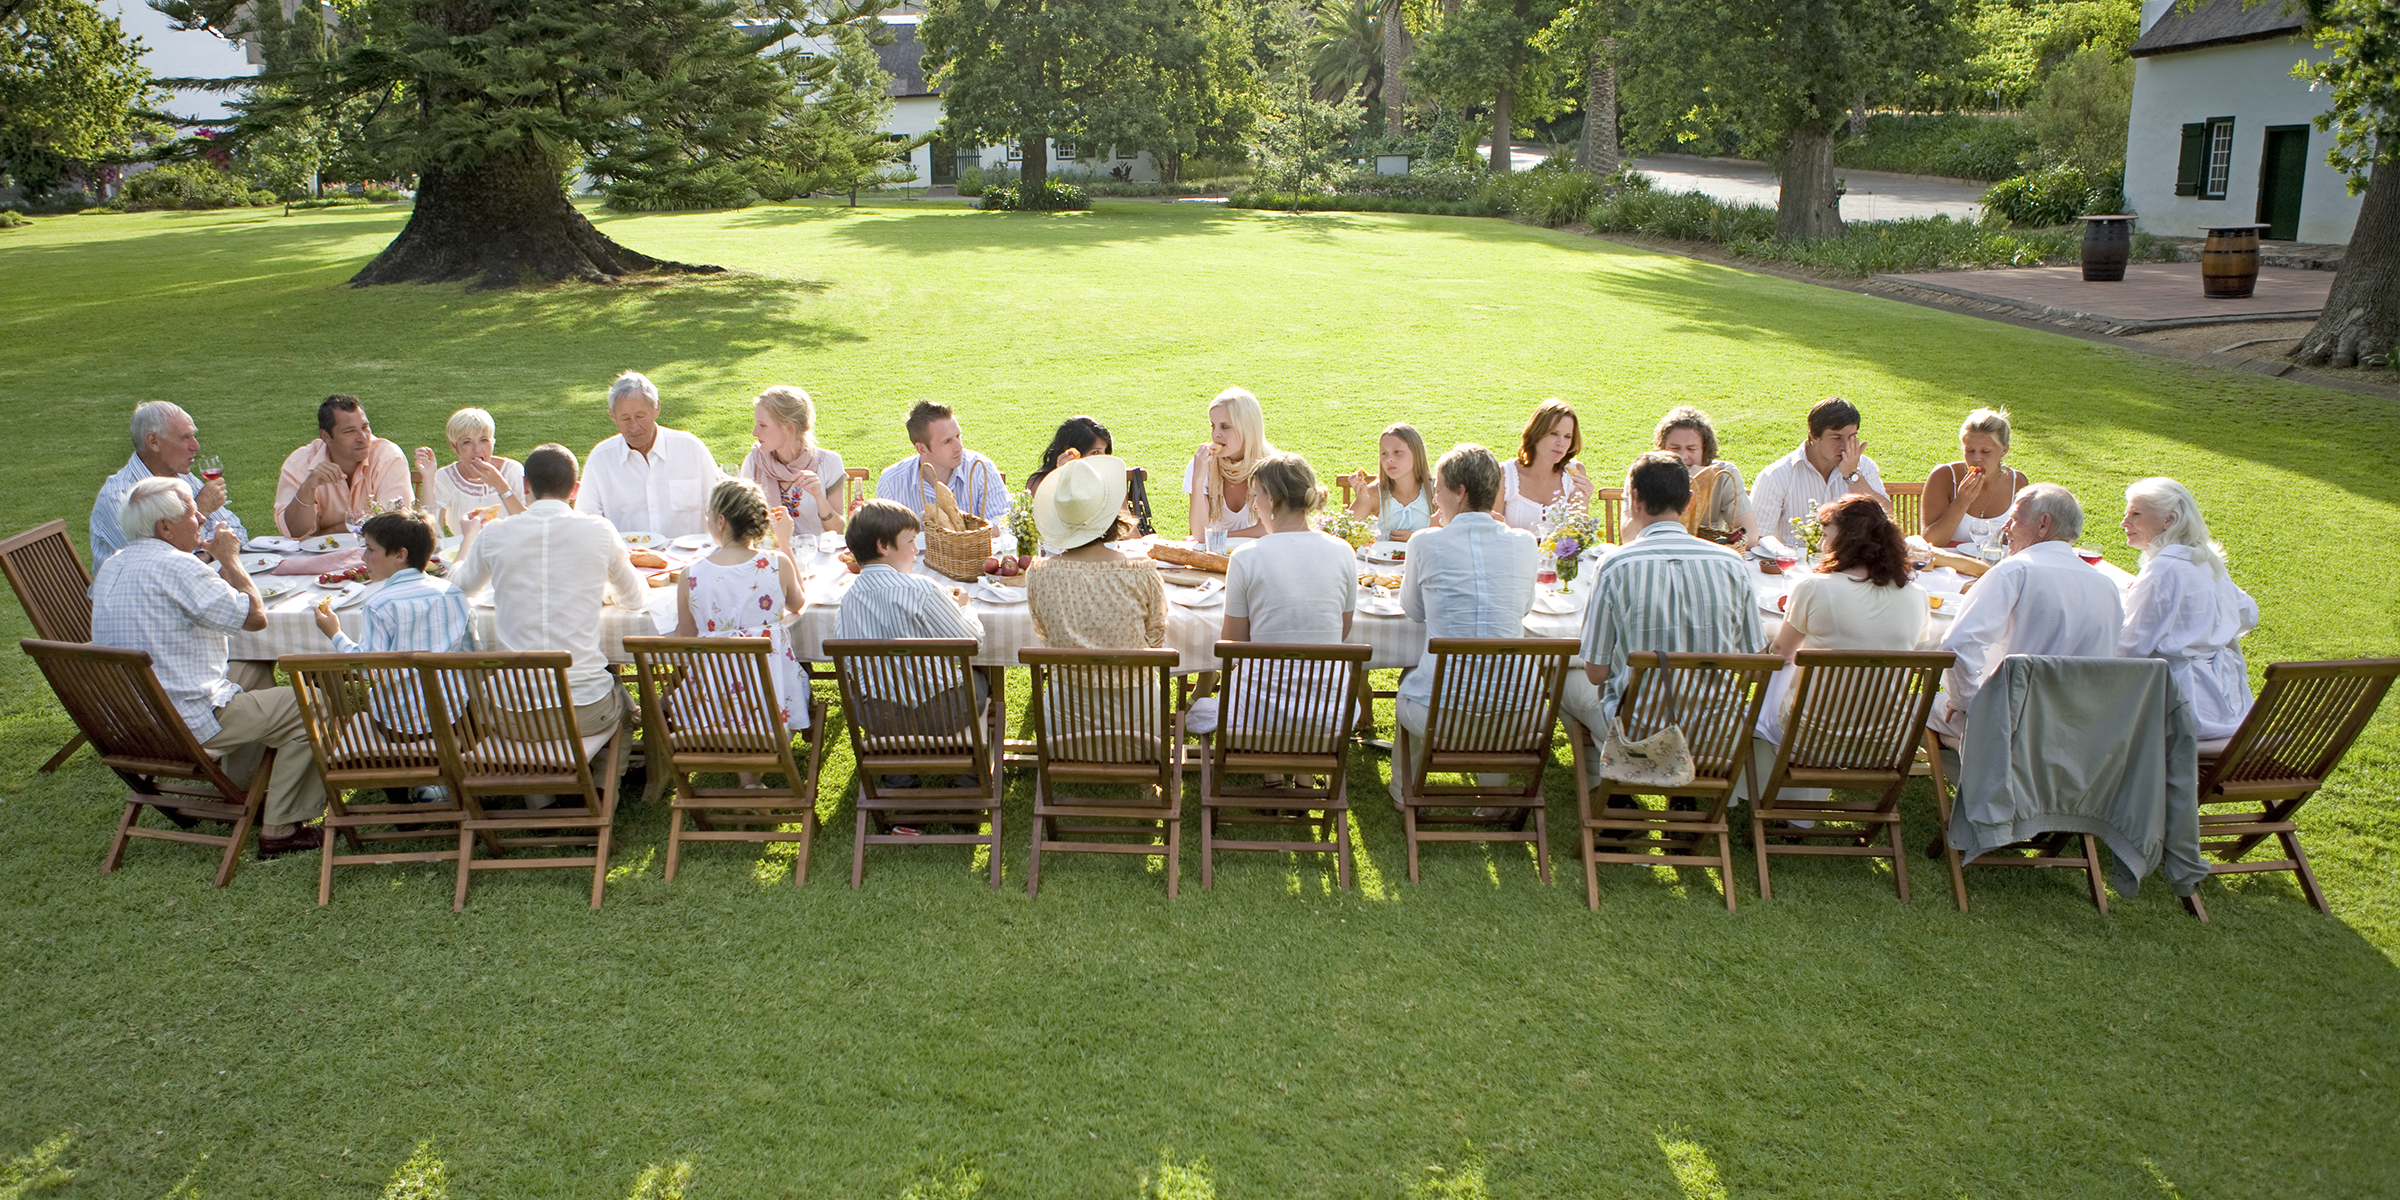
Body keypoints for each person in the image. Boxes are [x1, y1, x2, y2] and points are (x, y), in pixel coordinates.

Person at [90, 477, 324, 856]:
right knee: (314, 703)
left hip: (130, 723)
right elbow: (254, 618)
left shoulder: (113, 566)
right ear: (164, 528)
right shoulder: (180, 568)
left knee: (253, 668)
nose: (201, 517)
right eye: (191, 512)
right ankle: (281, 827)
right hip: (185, 724)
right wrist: (229, 559)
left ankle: (242, 790)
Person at [451, 443, 646, 796]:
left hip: (512, 714)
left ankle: (540, 801)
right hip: (583, 710)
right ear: (576, 488)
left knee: (610, 696)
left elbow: (458, 589)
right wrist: (601, 591)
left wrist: (467, 543)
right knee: (625, 707)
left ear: (525, 485)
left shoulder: (495, 533)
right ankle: (601, 790)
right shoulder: (599, 531)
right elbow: (635, 598)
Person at [1558, 452, 1767, 748]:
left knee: (1564, 679)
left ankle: (1611, 783)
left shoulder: (1616, 564)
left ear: (1634, 499)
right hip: (1715, 731)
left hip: (1637, 729)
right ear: (1689, 501)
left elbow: (1596, 672)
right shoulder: (1732, 563)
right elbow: (1756, 667)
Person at [1743, 496, 1927, 806]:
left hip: (1809, 736)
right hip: (1884, 741)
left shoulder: (1815, 587)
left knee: (1782, 666)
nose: (1823, 544)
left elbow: (1780, 654)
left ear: (1847, 539)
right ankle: (1795, 809)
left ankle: (1774, 800)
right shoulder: (1916, 596)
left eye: (1827, 535)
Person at [1390, 444, 1540, 804]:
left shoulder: (1425, 542)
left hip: (1439, 715)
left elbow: (1412, 609)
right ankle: (1492, 797)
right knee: (1491, 678)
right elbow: (1524, 607)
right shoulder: (1523, 543)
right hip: (1520, 714)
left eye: (1438, 488)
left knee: (1409, 682)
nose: (1435, 498)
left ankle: (1403, 793)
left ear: (1460, 492)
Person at [1929, 483, 2123, 739]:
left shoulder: (2013, 572)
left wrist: (1967, 704)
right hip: (2081, 731)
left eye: (2013, 520)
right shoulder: (2107, 585)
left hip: (2010, 723)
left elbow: (1957, 646)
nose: (2005, 529)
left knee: (1918, 706)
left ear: (2043, 524)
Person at [311, 509, 473, 804]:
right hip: (453, 716)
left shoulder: (379, 603)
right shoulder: (453, 593)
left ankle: (399, 798)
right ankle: (438, 782)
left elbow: (366, 666)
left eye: (370, 550)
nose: (362, 558)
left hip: (401, 727)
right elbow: (471, 654)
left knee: (376, 708)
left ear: (400, 554)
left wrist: (334, 633)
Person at [2118, 477, 2258, 740]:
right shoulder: (2205, 560)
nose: (2125, 523)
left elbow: (2131, 647)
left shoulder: (2164, 569)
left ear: (2168, 520)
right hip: (2230, 704)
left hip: (2181, 711)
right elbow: (2248, 613)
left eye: (2135, 514)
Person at [674, 479, 811, 733]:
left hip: (715, 701)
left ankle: (739, 753)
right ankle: (757, 755)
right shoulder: (776, 564)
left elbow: (688, 638)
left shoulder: (690, 575)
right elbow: (799, 604)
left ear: (721, 521)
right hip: (772, 696)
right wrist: (784, 542)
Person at [1027, 455, 1166, 650]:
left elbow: (1046, 636)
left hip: (1067, 680)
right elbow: (1156, 637)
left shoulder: (1039, 574)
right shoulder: (1141, 573)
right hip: (1134, 680)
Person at [90, 401, 248, 569]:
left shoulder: (181, 477)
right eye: (185, 437)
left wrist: (207, 554)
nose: (196, 446)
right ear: (154, 441)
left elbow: (237, 533)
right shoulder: (120, 496)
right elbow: (156, 565)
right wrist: (200, 509)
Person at [1221, 453, 1356, 646]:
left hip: (1260, 676)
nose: (1254, 506)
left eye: (1256, 496)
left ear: (1271, 500)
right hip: (1327, 677)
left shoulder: (1245, 557)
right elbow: (1341, 630)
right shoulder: (1344, 551)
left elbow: (1233, 641)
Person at [575, 370, 724, 538]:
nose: (634, 427)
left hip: (688, 559)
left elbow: (723, 509)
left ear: (656, 408)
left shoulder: (691, 448)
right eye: (625, 418)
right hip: (627, 561)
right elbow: (584, 521)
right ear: (612, 416)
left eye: (640, 416)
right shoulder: (600, 459)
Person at [834, 499, 986, 642]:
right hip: (928, 672)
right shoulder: (922, 591)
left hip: (869, 672)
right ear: (884, 546)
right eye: (911, 541)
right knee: (983, 670)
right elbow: (972, 641)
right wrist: (965, 607)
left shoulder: (847, 602)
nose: (916, 549)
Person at [1748, 396, 1890, 549]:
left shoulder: (1864, 467)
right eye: (1837, 438)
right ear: (1814, 436)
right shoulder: (1775, 477)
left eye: (1852, 437)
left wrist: (1852, 476)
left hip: (1854, 567)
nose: (1845, 446)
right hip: (1797, 567)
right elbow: (1757, 539)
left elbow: (1887, 518)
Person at [273, 394, 415, 537]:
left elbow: (394, 525)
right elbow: (294, 531)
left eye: (365, 427)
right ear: (326, 437)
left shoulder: (388, 458)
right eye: (350, 431)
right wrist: (308, 487)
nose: (363, 438)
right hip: (318, 557)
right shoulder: (300, 464)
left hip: (376, 554)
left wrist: (329, 532)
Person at [876, 400, 1011, 525]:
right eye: (947, 441)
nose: (959, 447)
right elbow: (884, 540)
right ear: (921, 448)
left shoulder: (981, 468)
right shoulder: (891, 482)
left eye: (958, 436)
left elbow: (1004, 523)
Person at [739, 385, 846, 540]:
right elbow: (742, 525)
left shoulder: (828, 463)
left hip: (815, 556)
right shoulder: (754, 462)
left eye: (763, 425)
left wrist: (818, 496)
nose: (755, 432)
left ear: (789, 427)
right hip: (769, 557)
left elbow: (837, 531)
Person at [1920, 408, 2029, 550]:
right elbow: (1931, 542)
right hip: (1948, 565)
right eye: (1969, 451)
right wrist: (1961, 503)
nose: (1976, 459)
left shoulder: (2018, 482)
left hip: (1994, 566)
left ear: (2004, 450)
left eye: (1986, 452)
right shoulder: (1944, 476)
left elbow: (2023, 542)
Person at [414, 407, 527, 537]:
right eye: (467, 442)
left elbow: (529, 524)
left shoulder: (512, 471)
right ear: (454, 447)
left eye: (484, 440)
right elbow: (430, 533)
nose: (477, 450)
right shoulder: (445, 477)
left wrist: (501, 486)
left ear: (493, 441)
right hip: (463, 552)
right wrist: (428, 478)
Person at [1654, 405, 1754, 547]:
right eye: (1675, 448)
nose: (1683, 456)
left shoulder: (1724, 475)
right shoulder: (1645, 474)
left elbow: (1750, 535)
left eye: (1691, 449)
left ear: (1704, 450)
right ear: (1662, 448)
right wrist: (1687, 483)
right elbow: (1631, 536)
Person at [1184, 386, 1273, 542]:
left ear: (1248, 428)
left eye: (1225, 427)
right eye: (1213, 426)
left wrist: (1215, 537)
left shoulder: (1273, 466)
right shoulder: (1202, 464)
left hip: (1259, 557)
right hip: (1214, 556)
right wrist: (1197, 480)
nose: (1215, 434)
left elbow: (1267, 529)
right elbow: (1199, 534)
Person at [1496, 399, 1594, 532]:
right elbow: (1494, 533)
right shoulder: (1504, 475)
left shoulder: (1575, 473)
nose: (1561, 443)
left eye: (1568, 436)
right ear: (1536, 434)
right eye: (1554, 434)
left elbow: (1578, 536)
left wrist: (1583, 501)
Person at [1343, 423, 1433, 542]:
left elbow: (1451, 536)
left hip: (1423, 560)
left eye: (1397, 452)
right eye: (1384, 453)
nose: (1389, 459)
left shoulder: (1436, 490)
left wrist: (1416, 538)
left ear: (1416, 453)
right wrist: (1361, 501)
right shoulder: (1374, 493)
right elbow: (1344, 535)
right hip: (1380, 559)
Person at [1024, 416, 1113, 498]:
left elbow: (1123, 512)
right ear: (1071, 452)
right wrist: (1060, 475)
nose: (1103, 458)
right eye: (1095, 452)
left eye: (1105, 452)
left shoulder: (1109, 479)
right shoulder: (1039, 482)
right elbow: (1048, 511)